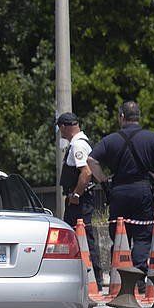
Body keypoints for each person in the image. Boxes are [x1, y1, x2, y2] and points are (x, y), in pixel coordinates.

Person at [87, 101, 154, 272]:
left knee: (120, 235)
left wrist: (103, 179)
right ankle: (139, 277)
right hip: (143, 190)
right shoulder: (152, 138)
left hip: (118, 192)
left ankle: (119, 277)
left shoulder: (110, 140)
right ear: (138, 117)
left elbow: (91, 160)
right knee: (142, 236)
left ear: (121, 117)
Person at [56, 112, 100, 281]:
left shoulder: (77, 146)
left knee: (79, 236)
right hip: (81, 200)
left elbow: (86, 172)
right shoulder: (81, 142)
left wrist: (75, 194)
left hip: (79, 201)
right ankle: (89, 275)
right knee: (79, 235)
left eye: (60, 128)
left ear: (63, 127)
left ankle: (93, 277)